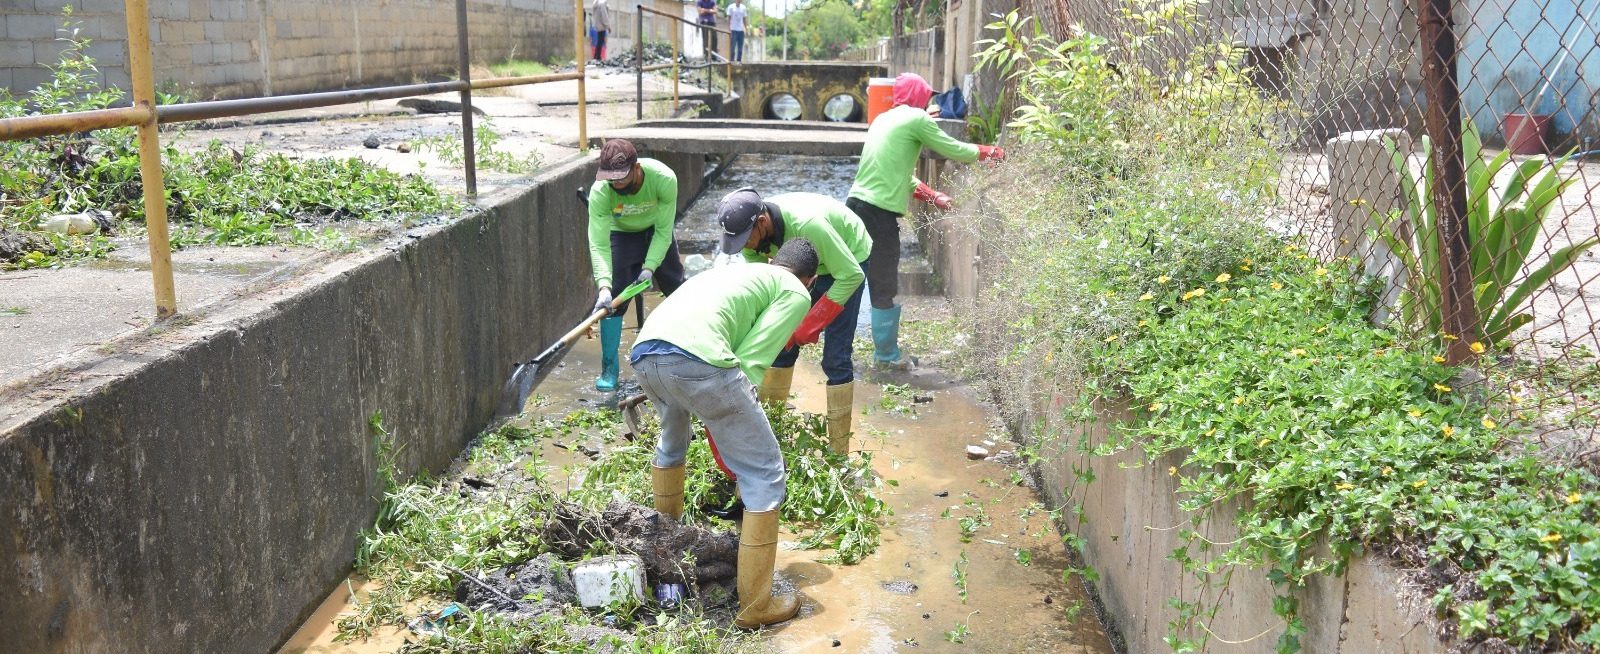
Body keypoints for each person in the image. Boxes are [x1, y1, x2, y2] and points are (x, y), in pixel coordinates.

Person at [629, 239, 819, 628]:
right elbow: (753, 358)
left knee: (672, 445)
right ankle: (755, 607)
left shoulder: (737, 272)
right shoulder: (796, 290)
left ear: (772, 260)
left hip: (646, 353)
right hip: (698, 361)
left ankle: (668, 552)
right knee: (765, 473)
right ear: (811, 280)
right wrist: (732, 428)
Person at [847, 72, 1004, 370]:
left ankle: (846, 347)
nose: (930, 101)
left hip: (855, 206)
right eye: (927, 96)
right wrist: (990, 152)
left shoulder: (883, 119)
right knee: (883, 283)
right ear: (919, 97)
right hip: (879, 213)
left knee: (851, 278)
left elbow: (898, 176)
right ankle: (886, 357)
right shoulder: (917, 121)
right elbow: (953, 148)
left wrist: (933, 196)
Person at [717, 189, 870, 454]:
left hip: (847, 261)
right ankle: (771, 437)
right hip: (801, 266)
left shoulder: (808, 225)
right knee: (781, 347)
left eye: (745, 239)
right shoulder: (754, 241)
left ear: (762, 223)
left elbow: (851, 275)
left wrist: (810, 323)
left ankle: (838, 453)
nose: (744, 247)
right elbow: (767, 285)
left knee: (836, 357)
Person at [588, 138, 687, 392]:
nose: (616, 184)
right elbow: (598, 244)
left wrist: (650, 267)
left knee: (678, 291)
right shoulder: (601, 191)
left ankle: (690, 353)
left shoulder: (664, 179)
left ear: (637, 168)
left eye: (621, 178)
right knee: (613, 301)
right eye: (611, 179)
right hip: (621, 233)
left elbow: (665, 231)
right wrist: (603, 286)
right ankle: (609, 369)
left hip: (656, 230)